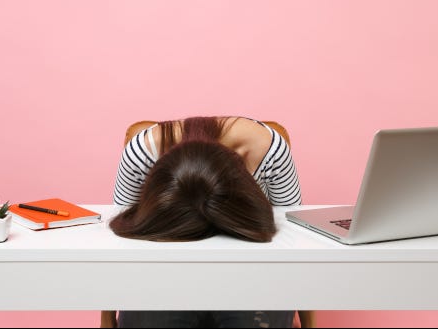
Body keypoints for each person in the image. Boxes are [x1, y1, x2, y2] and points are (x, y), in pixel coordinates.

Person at [101, 116, 302, 328]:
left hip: (249, 276)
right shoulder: (142, 154)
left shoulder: (269, 152)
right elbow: (121, 240)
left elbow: (296, 237)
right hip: (165, 277)